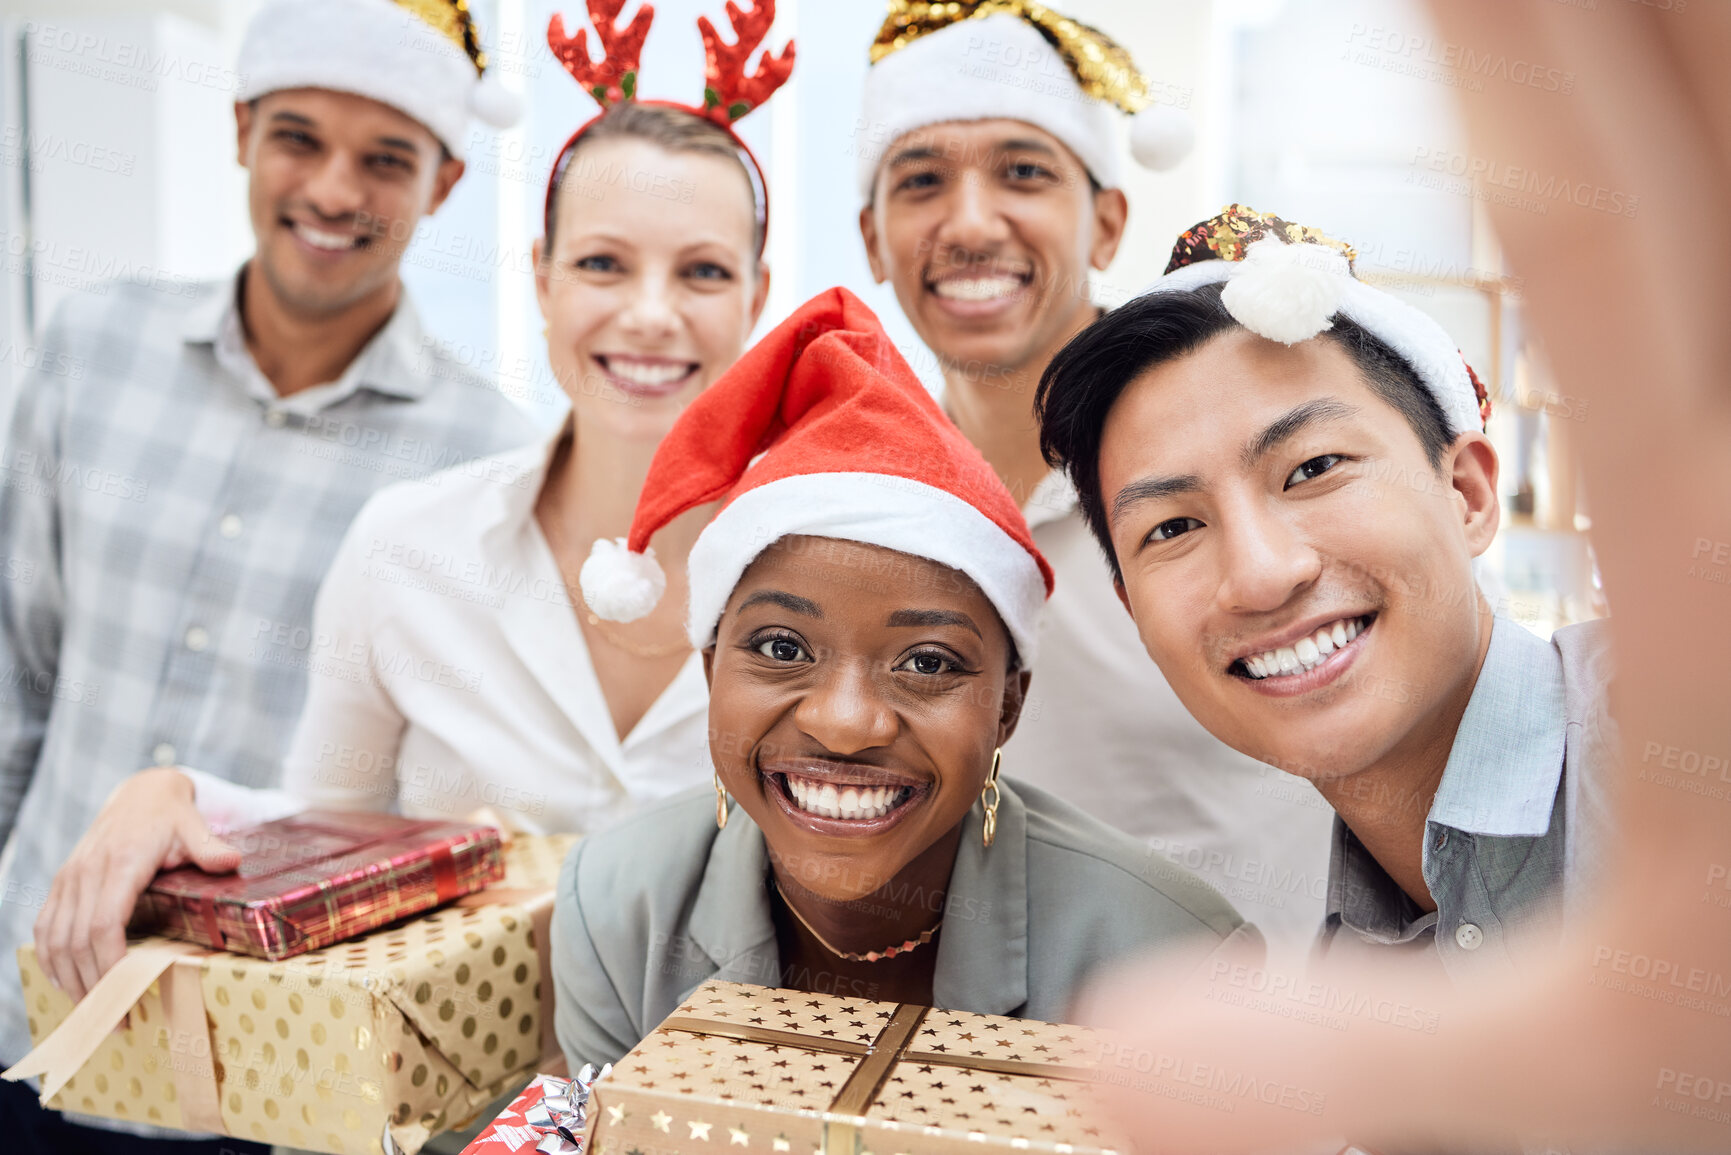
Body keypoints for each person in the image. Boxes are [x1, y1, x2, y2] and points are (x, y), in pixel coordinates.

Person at [30, 0, 790, 1011]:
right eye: (603, 262)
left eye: (702, 271)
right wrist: (176, 795)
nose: (649, 314)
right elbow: (319, 833)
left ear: (757, 294)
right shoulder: (410, 544)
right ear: (543, 281)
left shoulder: (822, 570)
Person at [0, 1, 538, 1149]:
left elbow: (439, 800)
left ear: (443, 183)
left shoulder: (488, 461)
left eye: (386, 158)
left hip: (275, 1074)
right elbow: (16, 684)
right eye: (300, 138)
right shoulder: (91, 351)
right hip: (28, 1025)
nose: (337, 191)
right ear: (241, 129)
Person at [551, 287, 1259, 1069]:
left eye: (926, 662)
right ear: (710, 666)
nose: (846, 723)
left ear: (1007, 708)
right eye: (783, 648)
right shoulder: (616, 904)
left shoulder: (1172, 963)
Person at [852, 0, 1334, 949]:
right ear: (872, 241)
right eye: (920, 181)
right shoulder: (869, 508)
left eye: (1023, 172)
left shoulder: (1250, 457)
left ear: (1107, 222)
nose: (970, 221)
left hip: (1275, 1053)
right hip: (973, 1059)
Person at [1037, 205, 1613, 987]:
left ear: (1468, 494)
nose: (1260, 574)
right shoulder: (1343, 959)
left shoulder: (1658, 742)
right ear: (1131, 610)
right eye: (1172, 527)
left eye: (1311, 468)